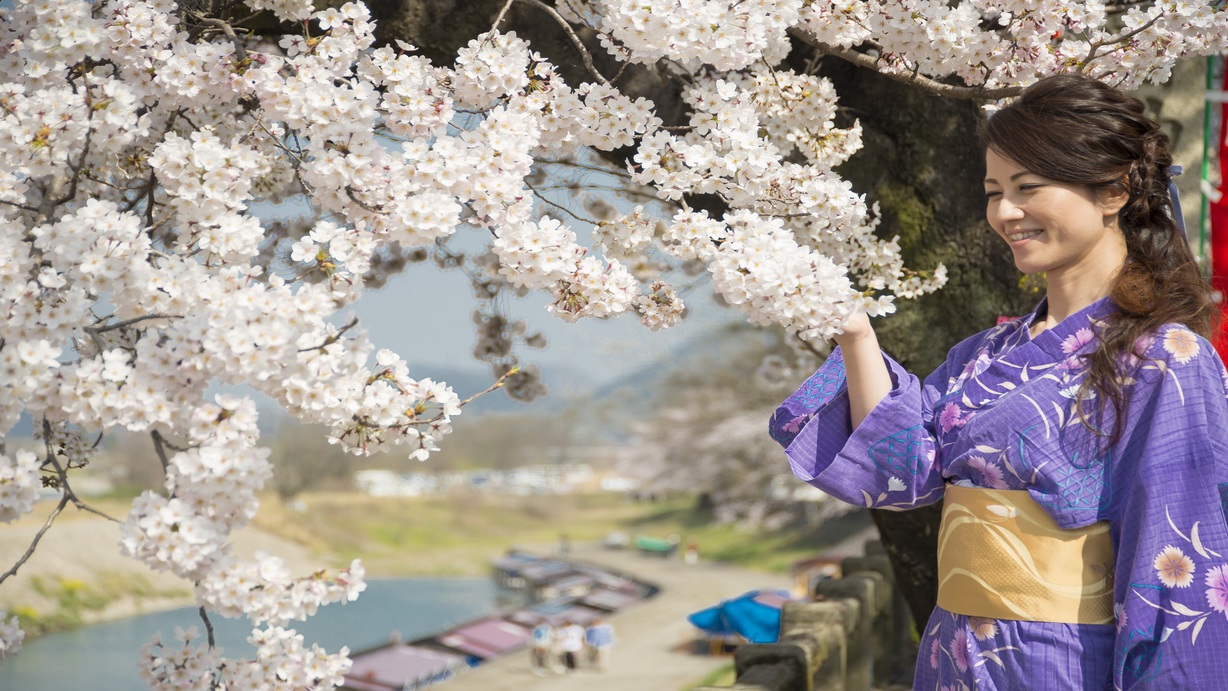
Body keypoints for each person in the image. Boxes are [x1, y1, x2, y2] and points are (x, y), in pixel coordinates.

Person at [769, 73, 1228, 689]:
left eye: (1029, 188)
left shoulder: (1168, 358)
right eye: (994, 192)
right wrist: (857, 337)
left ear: (1115, 190)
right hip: (953, 655)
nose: (1006, 212)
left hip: (1061, 663)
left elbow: (1178, 574)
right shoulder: (982, 354)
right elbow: (901, 475)